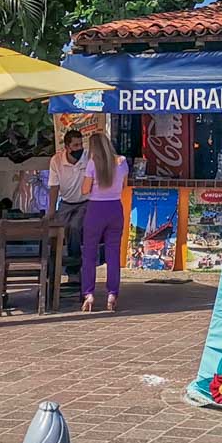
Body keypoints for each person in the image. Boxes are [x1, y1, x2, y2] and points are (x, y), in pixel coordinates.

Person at [80, 132, 129, 312]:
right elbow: (123, 185)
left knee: (89, 254)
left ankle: (89, 293)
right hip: (115, 208)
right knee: (113, 254)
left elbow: (85, 189)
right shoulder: (122, 162)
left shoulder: (93, 164)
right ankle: (112, 293)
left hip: (96, 209)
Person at [47, 129, 89, 287]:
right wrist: (51, 210)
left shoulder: (88, 157)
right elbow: (53, 186)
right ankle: (52, 272)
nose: (79, 148)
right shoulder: (56, 161)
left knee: (75, 228)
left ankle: (74, 272)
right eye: (75, 145)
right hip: (65, 202)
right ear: (67, 147)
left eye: (81, 144)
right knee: (57, 231)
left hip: (85, 201)